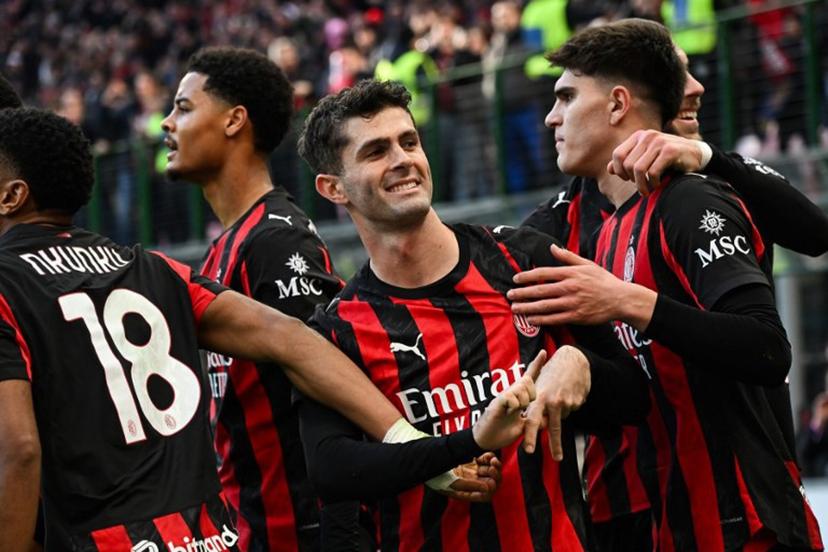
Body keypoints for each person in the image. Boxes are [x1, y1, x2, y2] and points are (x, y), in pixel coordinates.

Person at [0, 106, 428, 551]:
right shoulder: (156, 269)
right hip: (208, 541)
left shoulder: (6, 286)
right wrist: (403, 437)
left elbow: (19, 450)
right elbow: (295, 339)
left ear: (11, 197)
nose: (167, 121)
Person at [296, 78, 650, 550]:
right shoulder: (337, 331)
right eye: (376, 151)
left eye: (409, 142)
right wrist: (470, 442)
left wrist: (582, 367)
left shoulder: (522, 260)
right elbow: (332, 471)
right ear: (333, 188)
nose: (403, 159)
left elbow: (633, 400)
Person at [508, 19, 822, 551]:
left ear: (620, 102)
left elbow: (771, 340)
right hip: (635, 510)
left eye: (565, 97)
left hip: (743, 513)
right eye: (679, 74)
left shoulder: (696, 196)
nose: (695, 88)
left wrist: (624, 300)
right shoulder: (568, 228)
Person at [161, 45, 344, 552]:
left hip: (303, 534)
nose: (166, 123)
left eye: (183, 106)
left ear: (234, 121)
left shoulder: (278, 240)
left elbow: (336, 383)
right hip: (249, 532)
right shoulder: (222, 248)